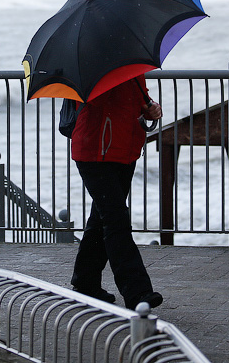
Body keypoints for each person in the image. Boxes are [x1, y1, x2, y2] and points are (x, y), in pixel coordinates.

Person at [69, 75, 164, 310]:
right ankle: (138, 292)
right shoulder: (93, 69)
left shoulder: (128, 66)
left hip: (124, 151)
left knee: (102, 219)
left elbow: (137, 100)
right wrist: (113, 78)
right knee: (116, 220)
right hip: (95, 154)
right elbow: (93, 102)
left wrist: (150, 107)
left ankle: (85, 282)